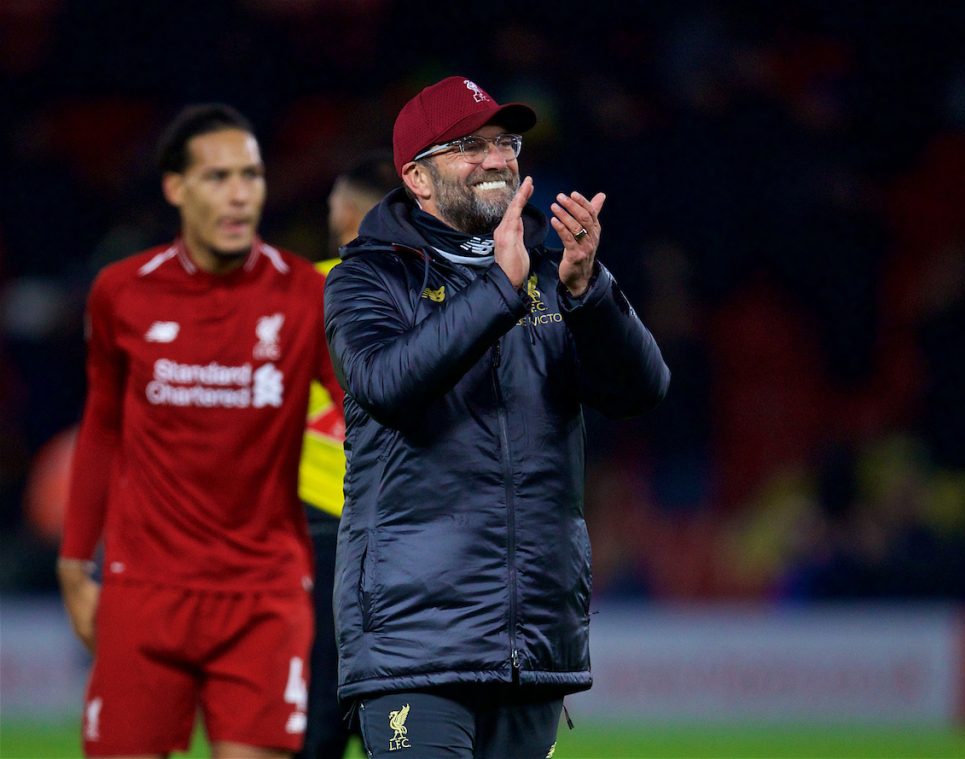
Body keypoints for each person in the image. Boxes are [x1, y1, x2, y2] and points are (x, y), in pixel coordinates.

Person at [324, 76, 670, 757]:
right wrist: (498, 290)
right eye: (468, 146)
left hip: (531, 640)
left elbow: (642, 391)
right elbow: (386, 384)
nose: (496, 159)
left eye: (505, 143)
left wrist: (588, 290)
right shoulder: (367, 278)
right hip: (412, 643)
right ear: (417, 179)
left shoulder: (553, 273)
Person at [57, 103, 346, 759]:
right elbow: (101, 431)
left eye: (251, 174)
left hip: (264, 596)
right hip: (144, 591)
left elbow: (367, 418)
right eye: (218, 176)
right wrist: (75, 564)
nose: (240, 192)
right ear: (175, 187)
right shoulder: (122, 293)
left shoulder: (304, 294)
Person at [297, 152, 393, 759]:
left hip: (322, 524)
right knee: (398, 702)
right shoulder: (427, 291)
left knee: (319, 705)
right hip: (401, 526)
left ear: (351, 212)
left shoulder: (308, 287)